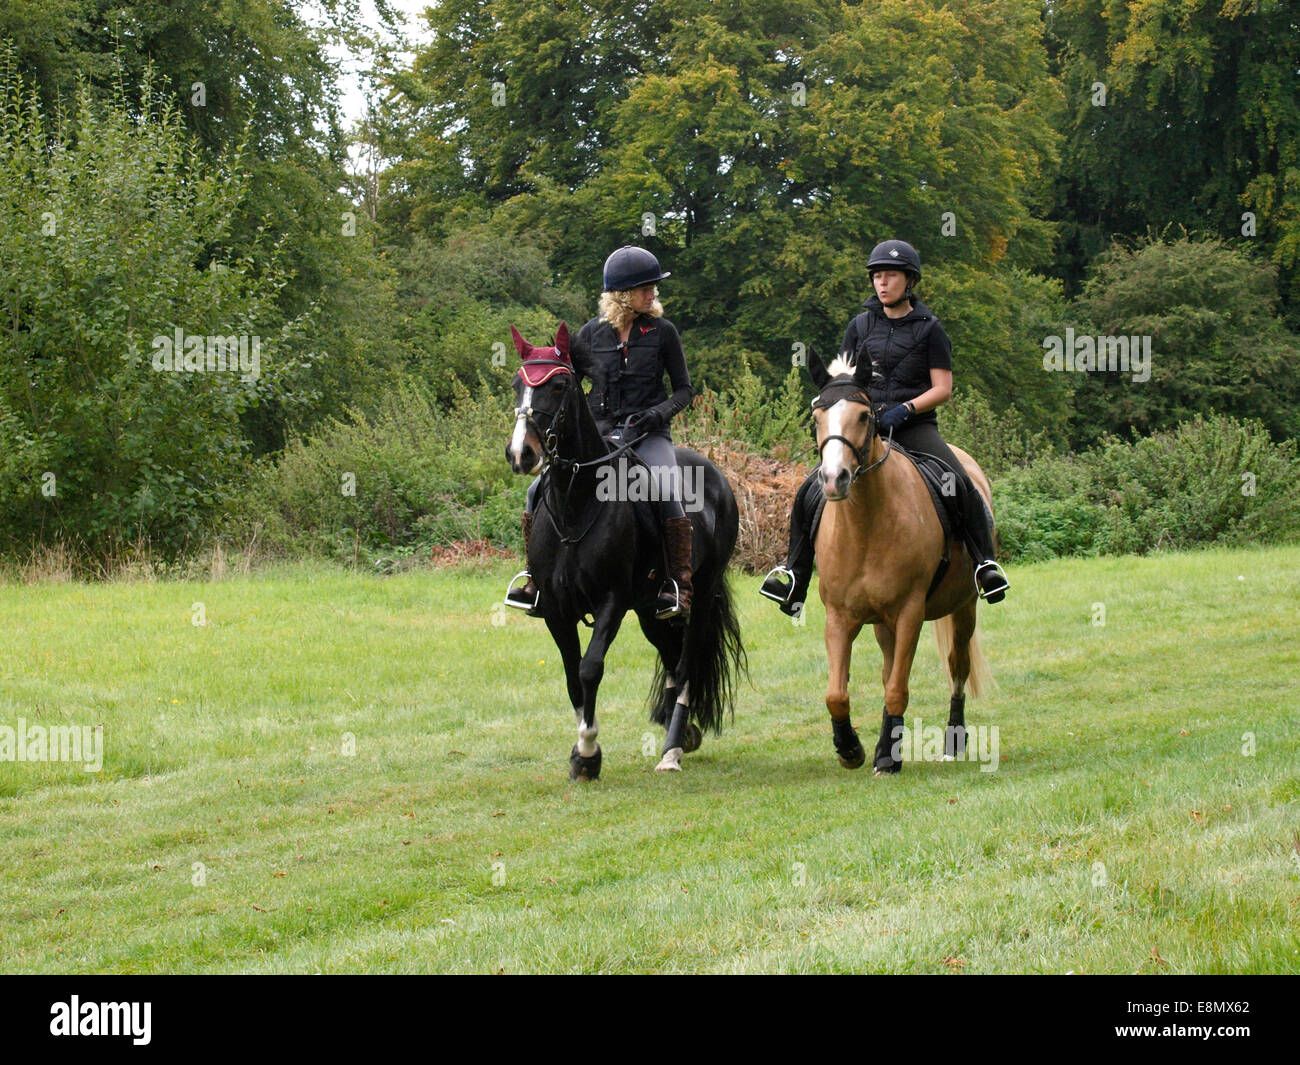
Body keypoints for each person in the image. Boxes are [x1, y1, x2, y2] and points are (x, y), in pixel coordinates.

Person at [759, 239, 1009, 616]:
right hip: (864, 428)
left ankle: (984, 565)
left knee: (957, 481)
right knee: (810, 490)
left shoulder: (930, 329)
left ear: (909, 281)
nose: (882, 282)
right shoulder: (860, 325)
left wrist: (905, 410)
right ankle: (794, 575)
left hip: (915, 427)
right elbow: (843, 379)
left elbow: (942, 388)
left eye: (890, 275)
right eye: (877, 276)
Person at [506, 246, 696, 620]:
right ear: (623, 295)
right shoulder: (591, 334)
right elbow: (566, 388)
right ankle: (533, 578)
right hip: (601, 434)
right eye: (646, 288)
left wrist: (656, 415)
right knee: (534, 490)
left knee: (666, 487)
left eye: (653, 287)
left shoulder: (663, 333)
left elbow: (684, 390)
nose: (653, 293)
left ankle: (678, 585)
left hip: (649, 435)